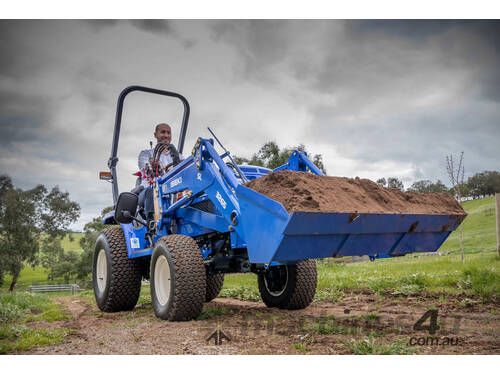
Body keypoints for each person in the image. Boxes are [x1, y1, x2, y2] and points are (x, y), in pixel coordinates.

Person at [137, 123, 183, 223]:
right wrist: (156, 166)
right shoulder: (146, 154)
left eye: (168, 133)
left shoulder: (179, 156)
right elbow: (146, 167)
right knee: (151, 190)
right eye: (162, 132)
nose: (166, 135)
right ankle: (152, 225)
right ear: (155, 134)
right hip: (148, 193)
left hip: (173, 192)